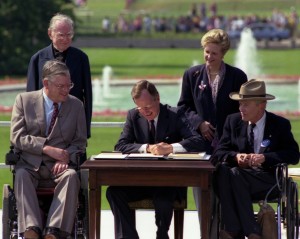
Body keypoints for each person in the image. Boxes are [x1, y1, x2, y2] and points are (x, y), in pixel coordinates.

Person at [106, 80, 205, 239]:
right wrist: (147, 147)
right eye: (140, 108)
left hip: (169, 181)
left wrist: (171, 147)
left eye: (148, 107)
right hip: (141, 180)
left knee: (163, 197)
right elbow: (121, 145)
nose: (145, 112)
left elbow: (198, 141)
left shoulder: (175, 114)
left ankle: (162, 235)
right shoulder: (133, 115)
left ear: (157, 98)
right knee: (113, 192)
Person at [177, 28, 247, 232]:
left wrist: (227, 131)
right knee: (202, 192)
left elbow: (242, 110)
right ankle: (206, 233)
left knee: (225, 191)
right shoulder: (192, 75)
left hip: (228, 145)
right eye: (206, 52)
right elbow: (183, 107)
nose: (209, 57)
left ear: (223, 53)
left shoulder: (237, 76)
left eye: (214, 53)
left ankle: (226, 233)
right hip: (200, 145)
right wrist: (199, 123)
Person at [212, 79, 299, 239]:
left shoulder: (279, 124)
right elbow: (218, 153)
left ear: (261, 105)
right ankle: (250, 231)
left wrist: (265, 158)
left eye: (246, 104)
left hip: (267, 179)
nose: (241, 108)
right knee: (223, 171)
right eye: (240, 104)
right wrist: (236, 156)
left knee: (233, 174)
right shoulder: (233, 121)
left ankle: (234, 230)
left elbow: (293, 154)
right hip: (237, 177)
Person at [10, 60, 87, 239]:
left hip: (60, 166)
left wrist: (65, 158)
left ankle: (54, 231)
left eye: (69, 85)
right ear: (46, 83)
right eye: (61, 86)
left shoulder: (76, 105)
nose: (66, 90)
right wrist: (46, 149)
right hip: (31, 164)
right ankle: (32, 229)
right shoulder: (24, 100)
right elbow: (17, 137)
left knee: (71, 177)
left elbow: (80, 142)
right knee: (21, 175)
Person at [27, 13, 92, 139]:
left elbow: (87, 96)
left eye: (69, 35)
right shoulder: (37, 59)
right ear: (50, 33)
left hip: (72, 123)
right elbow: (30, 97)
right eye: (61, 35)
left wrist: (85, 130)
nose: (65, 38)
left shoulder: (82, 58)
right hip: (43, 127)